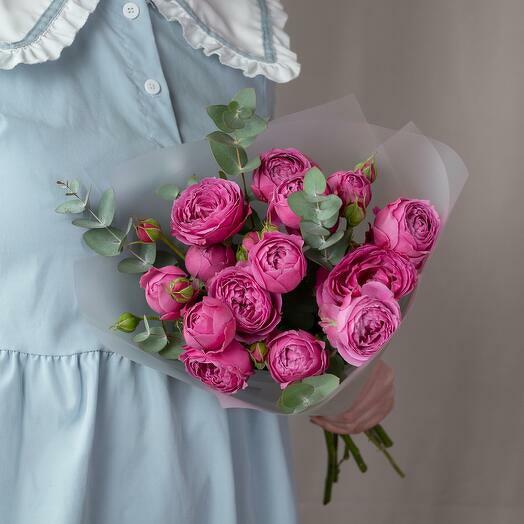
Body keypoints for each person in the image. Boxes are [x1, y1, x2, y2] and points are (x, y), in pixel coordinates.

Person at [0, 1, 394, 522]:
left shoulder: (221, 21)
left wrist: (331, 352)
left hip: (214, 449)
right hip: (35, 458)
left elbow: (253, 234)